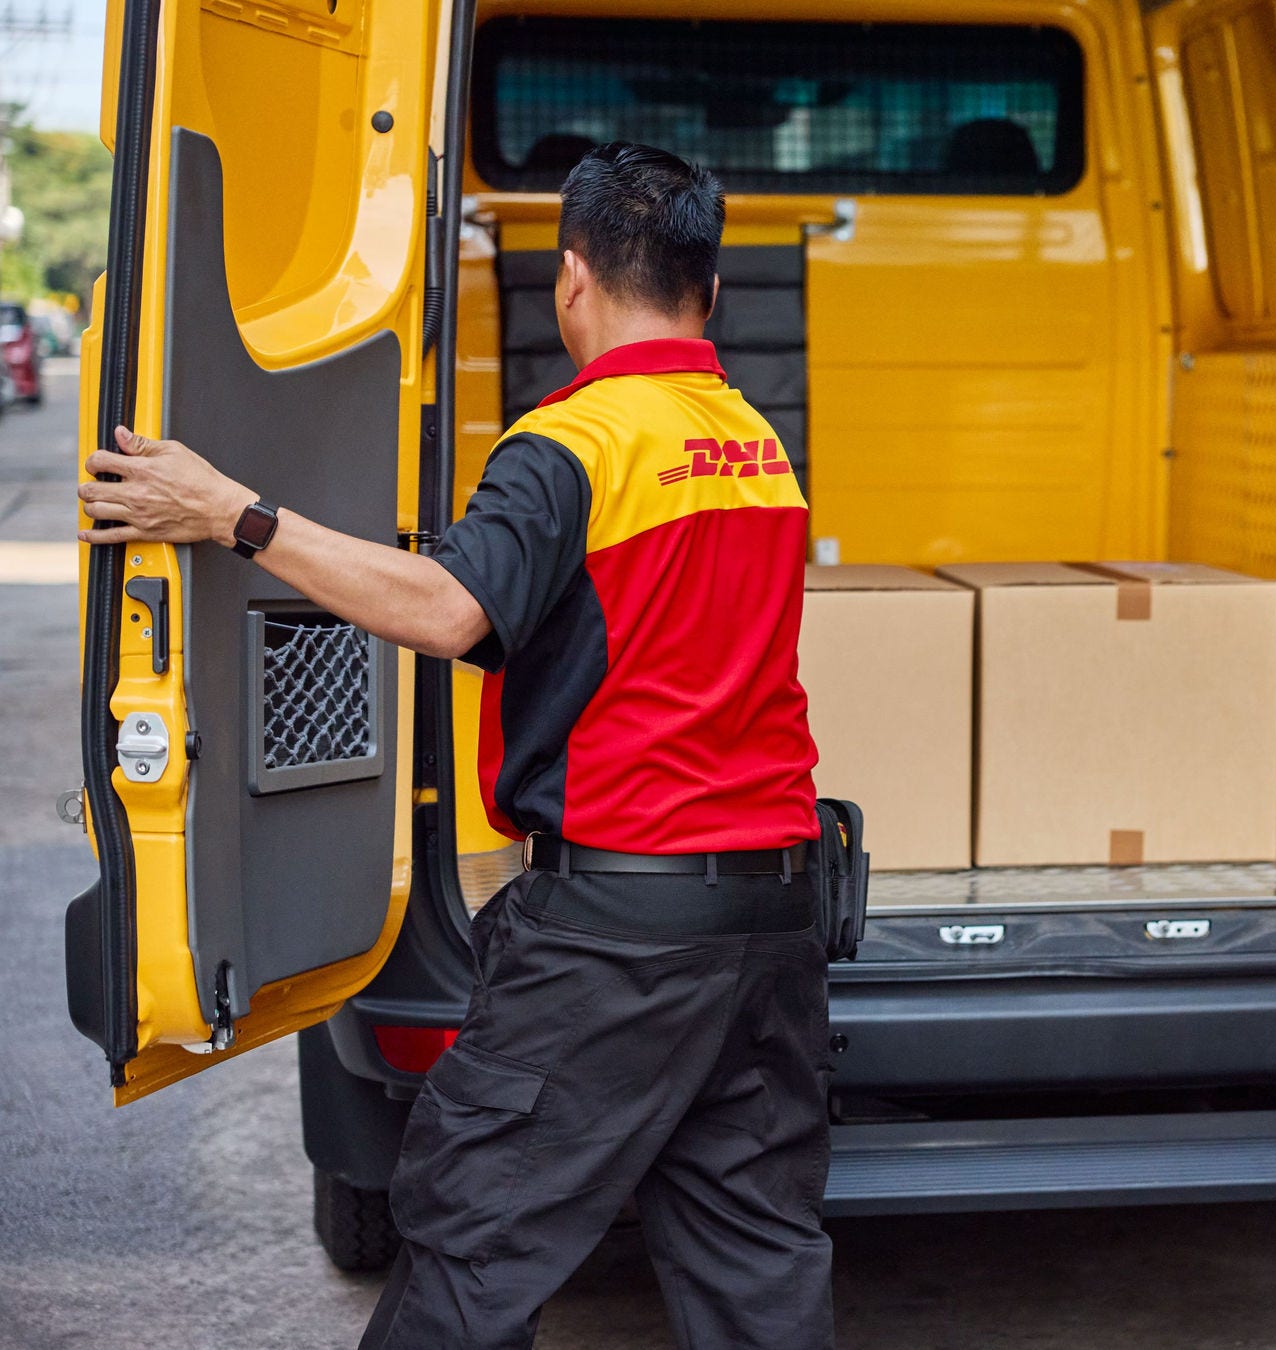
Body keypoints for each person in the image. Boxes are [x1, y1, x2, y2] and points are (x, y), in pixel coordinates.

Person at [77, 143, 834, 1349]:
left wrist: (236, 516)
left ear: (571, 279)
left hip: (615, 941)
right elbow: (627, 631)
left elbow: (446, 611)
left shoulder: (575, 442)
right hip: (768, 923)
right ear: (712, 291)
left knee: (475, 1241)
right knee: (755, 1261)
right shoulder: (754, 444)